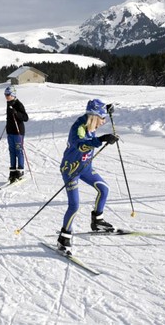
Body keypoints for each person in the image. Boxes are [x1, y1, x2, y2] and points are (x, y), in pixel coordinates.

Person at [56, 99, 119, 255]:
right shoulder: (78, 128)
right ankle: (64, 238)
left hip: (85, 167)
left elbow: (98, 112)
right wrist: (101, 139)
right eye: (101, 119)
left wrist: (107, 110)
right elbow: (82, 145)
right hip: (71, 169)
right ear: (94, 117)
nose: (103, 122)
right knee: (74, 205)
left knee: (104, 189)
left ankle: (97, 221)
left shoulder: (91, 122)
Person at [4, 85, 29, 183]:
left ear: (13, 94)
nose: (6, 96)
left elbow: (25, 118)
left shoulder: (18, 104)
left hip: (18, 132)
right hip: (10, 131)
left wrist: (16, 113)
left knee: (19, 151)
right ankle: (13, 172)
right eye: (5, 94)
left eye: (8, 94)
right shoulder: (8, 103)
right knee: (12, 152)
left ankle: (21, 171)